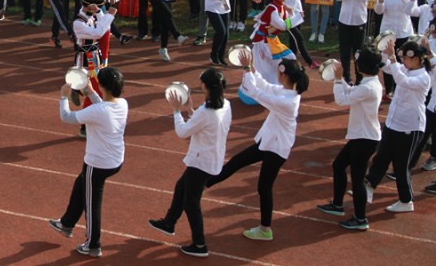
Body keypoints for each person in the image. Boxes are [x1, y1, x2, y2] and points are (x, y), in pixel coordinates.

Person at [207, 51, 308, 242]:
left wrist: (246, 69)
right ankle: (205, 184)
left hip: (276, 149)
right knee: (236, 161)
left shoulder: (287, 101)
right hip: (269, 141)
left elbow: (255, 92)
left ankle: (265, 229)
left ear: (283, 74)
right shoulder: (287, 91)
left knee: (264, 187)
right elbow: (265, 86)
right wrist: (252, 68)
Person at [148, 68, 231, 258]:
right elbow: (209, 125)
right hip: (211, 157)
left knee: (191, 203)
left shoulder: (207, 110)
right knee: (181, 187)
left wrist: (176, 111)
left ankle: (200, 244)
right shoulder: (225, 104)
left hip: (201, 162)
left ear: (206, 87)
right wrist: (192, 112)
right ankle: (169, 222)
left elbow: (183, 132)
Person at [48, 67, 128, 259]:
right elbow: (103, 107)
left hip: (98, 163)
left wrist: (63, 97)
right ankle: (66, 223)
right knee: (81, 183)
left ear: (102, 86)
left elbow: (66, 117)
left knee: (92, 204)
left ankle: (93, 244)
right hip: (115, 159)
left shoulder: (97, 111)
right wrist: (90, 92)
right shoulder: (122, 103)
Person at [316, 48, 383, 231]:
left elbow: (342, 100)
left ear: (362, 66)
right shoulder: (369, 83)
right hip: (360, 137)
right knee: (338, 165)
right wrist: (342, 81)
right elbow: (352, 92)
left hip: (364, 139)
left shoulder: (368, 87)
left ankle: (360, 219)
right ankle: (338, 205)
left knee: (358, 179)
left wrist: (338, 79)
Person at [364, 39, 431, 213]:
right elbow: (388, 68)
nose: (403, 62)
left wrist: (393, 59)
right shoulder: (406, 70)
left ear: (416, 59)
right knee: (381, 157)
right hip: (393, 123)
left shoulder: (423, 78)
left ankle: (406, 200)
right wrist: (386, 53)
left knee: (401, 166)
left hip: (410, 127)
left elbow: (401, 81)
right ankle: (369, 188)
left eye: (406, 58)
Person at [71, 0, 117, 137]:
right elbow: (99, 33)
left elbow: (104, 27)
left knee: (96, 89)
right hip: (85, 60)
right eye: (99, 7)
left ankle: (79, 90)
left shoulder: (91, 16)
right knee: (94, 90)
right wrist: (108, 15)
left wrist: (100, 13)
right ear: (90, 7)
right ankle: (84, 124)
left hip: (95, 57)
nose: (101, 11)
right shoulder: (78, 22)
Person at [334, 0, 375, 83]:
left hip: (359, 22)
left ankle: (359, 77)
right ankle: (346, 77)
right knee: (344, 50)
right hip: (344, 21)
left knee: (358, 51)